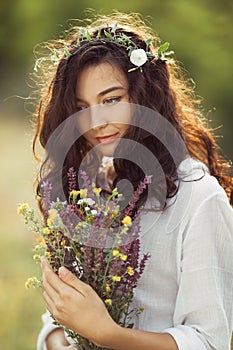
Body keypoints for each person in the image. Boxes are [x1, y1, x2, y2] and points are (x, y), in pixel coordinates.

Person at [32, 11, 233, 350]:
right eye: (81, 107)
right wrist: (58, 339)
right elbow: (59, 319)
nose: (95, 122)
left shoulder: (199, 198)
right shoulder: (90, 185)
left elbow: (208, 341)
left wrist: (107, 335)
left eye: (111, 100)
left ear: (145, 97)